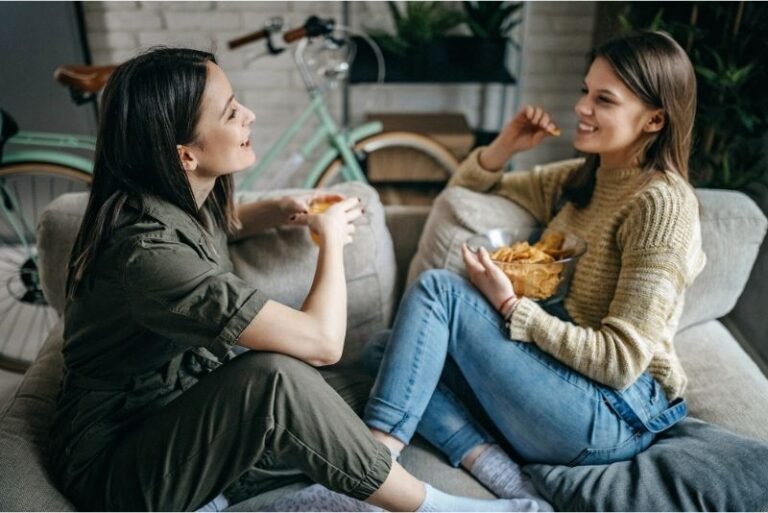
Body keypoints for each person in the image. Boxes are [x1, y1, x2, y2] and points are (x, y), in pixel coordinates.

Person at [47, 47, 541, 512]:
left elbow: (220, 225)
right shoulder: (147, 255)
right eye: (230, 113)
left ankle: (479, 467)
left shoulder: (172, 201)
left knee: (388, 380)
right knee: (274, 378)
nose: (250, 116)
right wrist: (330, 245)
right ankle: (434, 505)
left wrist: (277, 211)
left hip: (181, 416)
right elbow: (322, 343)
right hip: (120, 470)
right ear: (185, 156)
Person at [358, 30, 707, 502]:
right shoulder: (581, 178)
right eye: (586, 91)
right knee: (385, 349)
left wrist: (507, 304)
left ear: (654, 119)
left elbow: (621, 361)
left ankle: (369, 474)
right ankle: (498, 471)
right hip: (559, 383)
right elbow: (464, 192)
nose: (582, 107)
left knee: (440, 291)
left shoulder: (661, 205)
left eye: (604, 99)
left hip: (614, 414)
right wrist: (504, 146)